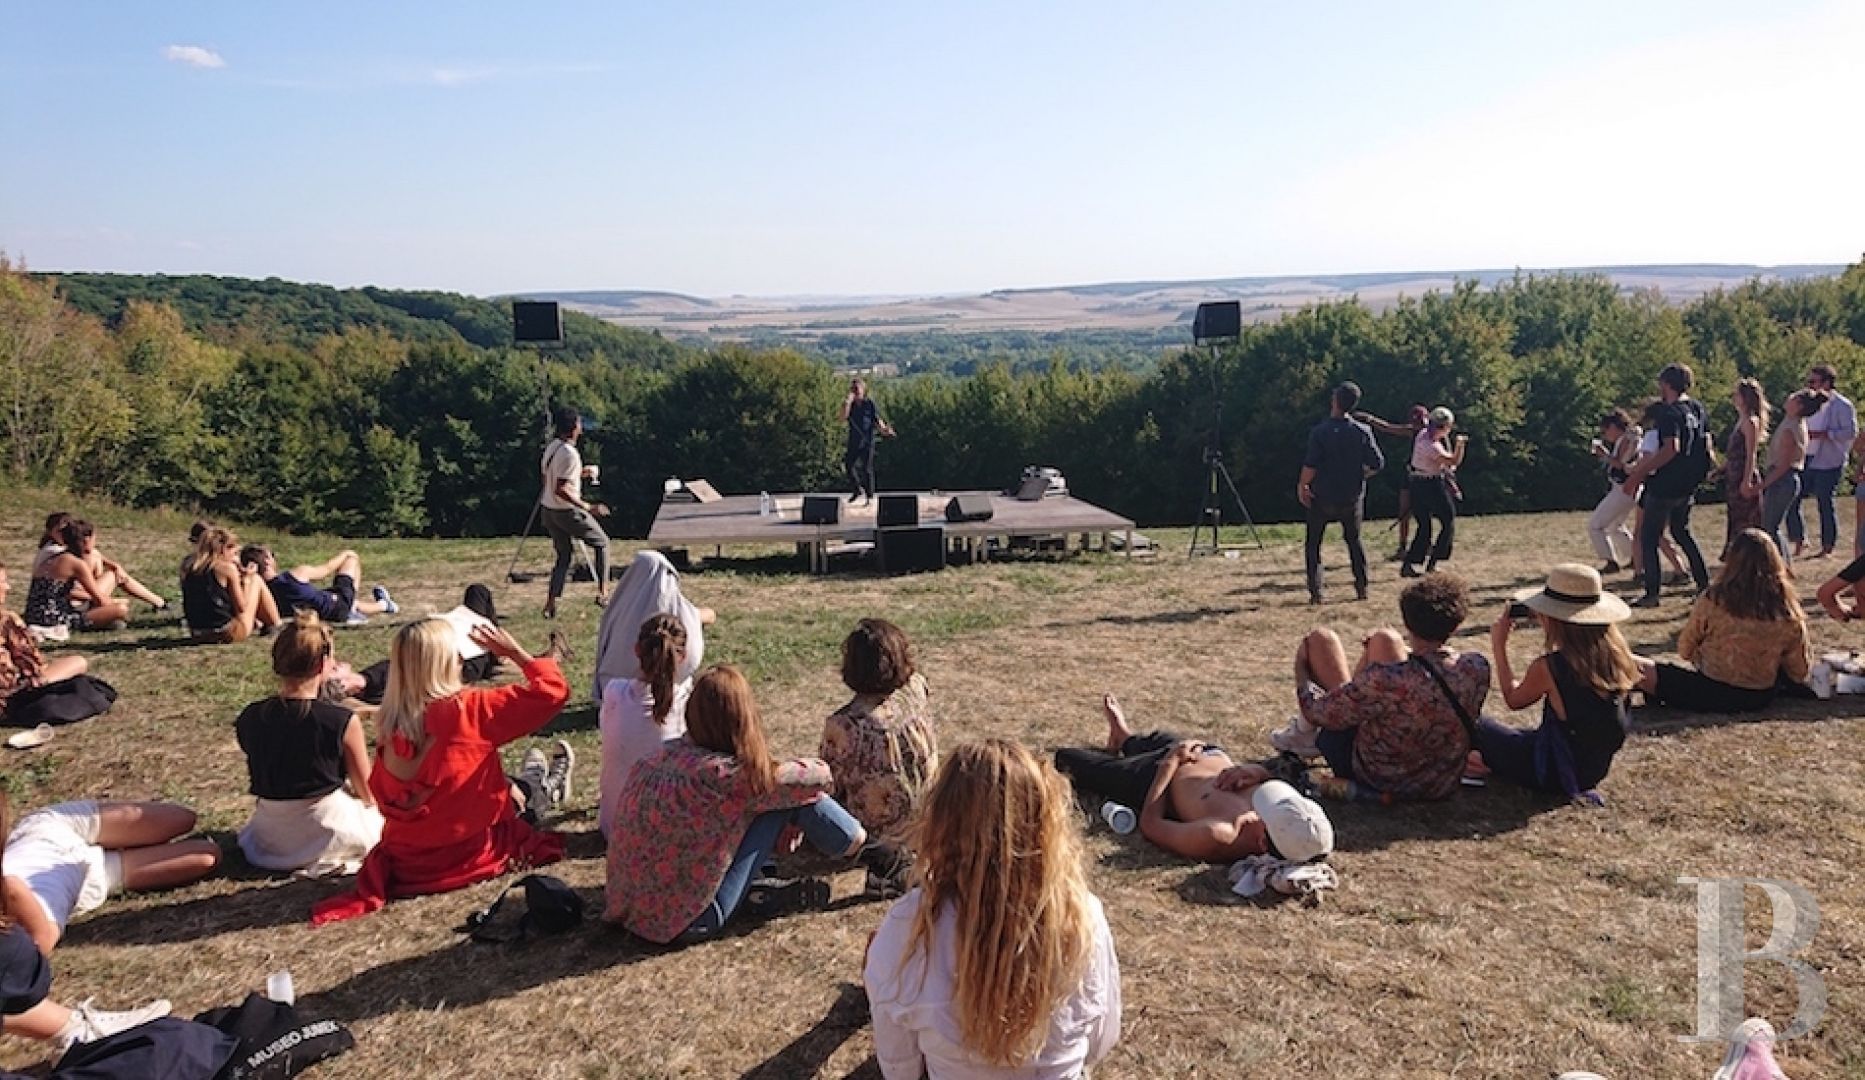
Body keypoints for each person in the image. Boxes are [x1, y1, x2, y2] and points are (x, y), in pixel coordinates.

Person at [864, 740, 1121, 1080]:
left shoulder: (907, 926)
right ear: (1044, 825)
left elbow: (901, 1070)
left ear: (939, 822)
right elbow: (1100, 1041)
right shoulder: (1083, 917)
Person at [604, 664, 898, 944]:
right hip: (691, 920)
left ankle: (759, 887)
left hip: (627, 909)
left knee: (772, 799)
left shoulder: (657, 758)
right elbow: (817, 777)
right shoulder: (728, 777)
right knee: (794, 798)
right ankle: (884, 860)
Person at [310, 619, 572, 924]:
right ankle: (540, 786)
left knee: (494, 780)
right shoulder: (470, 709)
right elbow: (553, 693)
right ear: (448, 661)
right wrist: (516, 654)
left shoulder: (389, 722)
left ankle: (529, 784)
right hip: (471, 855)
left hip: (410, 864)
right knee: (518, 795)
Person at [1278, 573, 1489, 801]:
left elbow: (1316, 712)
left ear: (1408, 622)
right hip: (1441, 781)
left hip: (1378, 778)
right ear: (1456, 624)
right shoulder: (1476, 667)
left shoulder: (1388, 679)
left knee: (1319, 640)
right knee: (1383, 639)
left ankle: (1301, 735)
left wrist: (1301, 670)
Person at [0, 795, 173, 1051]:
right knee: (202, 851)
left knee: (193, 836)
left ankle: (75, 1028)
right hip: (78, 868)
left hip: (67, 854)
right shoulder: (15, 891)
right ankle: (76, 1029)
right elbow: (35, 953)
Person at [1473, 564, 1639, 805]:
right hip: (1591, 771)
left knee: (1475, 722)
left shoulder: (1550, 667)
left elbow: (1513, 699)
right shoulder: (1618, 658)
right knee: (1516, 736)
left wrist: (1499, 645)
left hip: (1553, 771)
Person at [234, 611, 383, 877]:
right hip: (326, 827)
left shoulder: (250, 716)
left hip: (269, 832)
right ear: (322, 664)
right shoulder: (341, 721)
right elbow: (368, 792)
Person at [1, 800, 219, 948]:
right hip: (91, 877)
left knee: (181, 818)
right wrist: (13, 890)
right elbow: (41, 941)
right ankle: (117, 849)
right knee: (206, 856)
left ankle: (114, 838)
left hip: (46, 831)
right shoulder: (42, 904)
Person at [1639, 529, 1811, 712]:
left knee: (1638, 667)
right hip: (1760, 696)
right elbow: (1799, 671)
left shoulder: (1715, 599)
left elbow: (1685, 649)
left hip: (1712, 690)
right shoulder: (1786, 609)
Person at [821, 619, 937, 859]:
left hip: (878, 831)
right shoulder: (916, 688)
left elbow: (829, 784)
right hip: (926, 810)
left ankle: (880, 859)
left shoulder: (845, 724)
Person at [1622, 363, 1713, 608]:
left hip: (1665, 484)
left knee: (1650, 538)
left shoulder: (1668, 413)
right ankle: (1705, 585)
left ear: (1667, 384)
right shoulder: (1696, 408)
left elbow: (1671, 447)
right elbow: (1706, 444)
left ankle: (1652, 593)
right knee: (1682, 533)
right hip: (1687, 484)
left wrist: (1638, 474)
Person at [598, 613, 691, 840]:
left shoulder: (614, 692)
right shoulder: (688, 701)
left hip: (614, 827)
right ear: (683, 656)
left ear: (636, 650)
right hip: (664, 832)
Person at [1298, 382, 1385, 605]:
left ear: (1335, 401)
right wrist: (1360, 475)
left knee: (1313, 544)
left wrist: (1303, 485)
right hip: (1351, 496)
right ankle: (1361, 586)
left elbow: (1311, 465)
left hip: (1322, 496)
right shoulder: (1362, 431)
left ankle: (1316, 592)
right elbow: (1377, 463)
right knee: (1354, 541)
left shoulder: (1320, 432)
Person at [592, 550, 714, 700]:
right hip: (664, 692)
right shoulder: (678, 612)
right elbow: (706, 615)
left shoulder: (618, 611)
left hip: (614, 692)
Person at [538, 404, 610, 619]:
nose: (581, 428)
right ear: (573, 428)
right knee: (602, 543)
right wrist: (588, 507)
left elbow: (549, 478)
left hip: (548, 510)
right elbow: (561, 488)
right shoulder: (570, 454)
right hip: (565, 511)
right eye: (579, 424)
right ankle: (603, 593)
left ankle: (550, 603)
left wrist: (579, 473)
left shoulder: (553, 447)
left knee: (564, 556)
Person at [0, 564, 90, 722]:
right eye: (3, 582)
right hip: (11, 698)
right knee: (77, 662)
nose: (8, 587)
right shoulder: (6, 620)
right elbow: (33, 668)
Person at [1787, 362, 1856, 560]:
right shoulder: (1807, 402)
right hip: (1806, 457)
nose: (1810, 385)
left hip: (1829, 460)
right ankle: (1799, 540)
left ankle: (1827, 545)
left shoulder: (1842, 405)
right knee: (1793, 499)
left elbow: (1850, 432)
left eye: (1814, 381)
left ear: (1827, 383)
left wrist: (1827, 434)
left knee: (1824, 501)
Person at [39, 513, 168, 616]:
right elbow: (63, 591)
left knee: (104, 565)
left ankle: (159, 602)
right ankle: (159, 603)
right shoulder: (60, 555)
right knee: (120, 607)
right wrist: (105, 600)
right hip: (69, 606)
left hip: (75, 599)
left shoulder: (63, 552)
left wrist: (114, 565)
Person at [240, 545, 397, 627]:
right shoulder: (296, 575)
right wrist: (347, 554)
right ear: (267, 562)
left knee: (351, 602)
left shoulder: (259, 592)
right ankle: (353, 610)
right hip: (335, 606)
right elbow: (327, 568)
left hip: (316, 613)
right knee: (351, 564)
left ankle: (384, 605)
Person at [24, 520, 131, 636]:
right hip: (54, 619)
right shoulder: (76, 564)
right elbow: (100, 599)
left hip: (33, 615)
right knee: (121, 609)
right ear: (87, 540)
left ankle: (105, 621)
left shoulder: (54, 558)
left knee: (112, 615)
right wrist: (116, 603)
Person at [1758, 390, 1827, 562]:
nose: (1788, 398)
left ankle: (1784, 564)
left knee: (1771, 527)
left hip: (1783, 480)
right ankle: (1782, 564)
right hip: (1783, 479)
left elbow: (1784, 465)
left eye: (1793, 398)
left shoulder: (1791, 428)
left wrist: (1762, 485)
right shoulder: (1791, 422)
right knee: (1770, 525)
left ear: (1799, 406)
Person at [180, 526, 281, 643]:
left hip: (197, 633)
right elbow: (241, 607)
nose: (236, 557)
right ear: (224, 550)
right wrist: (247, 579)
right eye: (235, 553)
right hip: (225, 633)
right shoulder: (226, 569)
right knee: (256, 580)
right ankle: (275, 624)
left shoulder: (189, 566)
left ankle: (267, 623)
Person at [1355, 404, 1429, 559]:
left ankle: (1425, 545)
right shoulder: (1411, 431)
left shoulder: (1433, 434)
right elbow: (1388, 428)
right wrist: (1370, 419)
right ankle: (1403, 547)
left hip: (1426, 477)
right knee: (1404, 512)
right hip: (1410, 474)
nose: (1418, 425)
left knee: (1424, 513)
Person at [1401, 407, 1466, 578]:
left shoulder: (1422, 435)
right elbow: (1453, 460)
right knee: (1448, 519)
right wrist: (1460, 444)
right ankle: (1433, 562)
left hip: (1417, 483)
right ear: (1444, 427)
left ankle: (1409, 564)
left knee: (1424, 526)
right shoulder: (1432, 446)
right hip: (1430, 484)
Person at [1586, 409, 1644, 573]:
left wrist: (1604, 455)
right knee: (1614, 526)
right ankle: (1635, 557)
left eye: (1605, 430)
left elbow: (1622, 466)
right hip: (1628, 489)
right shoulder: (1630, 438)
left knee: (1595, 526)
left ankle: (1611, 561)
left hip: (1623, 489)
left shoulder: (1627, 440)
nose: (1605, 434)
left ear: (1613, 426)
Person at [1722, 380, 1768, 557]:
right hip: (1734, 474)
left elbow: (1751, 454)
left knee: (1745, 518)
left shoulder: (1750, 422)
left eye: (1737, 394)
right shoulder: (1740, 420)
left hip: (1742, 474)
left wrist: (1747, 481)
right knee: (1735, 516)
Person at [840, 377, 896, 507]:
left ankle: (870, 496)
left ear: (863, 390)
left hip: (867, 440)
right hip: (854, 440)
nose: (856, 392)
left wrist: (884, 430)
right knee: (848, 465)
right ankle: (857, 490)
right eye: (853, 389)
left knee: (867, 469)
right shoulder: (850, 405)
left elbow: (876, 419)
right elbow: (843, 417)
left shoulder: (869, 403)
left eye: (857, 389)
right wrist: (847, 402)